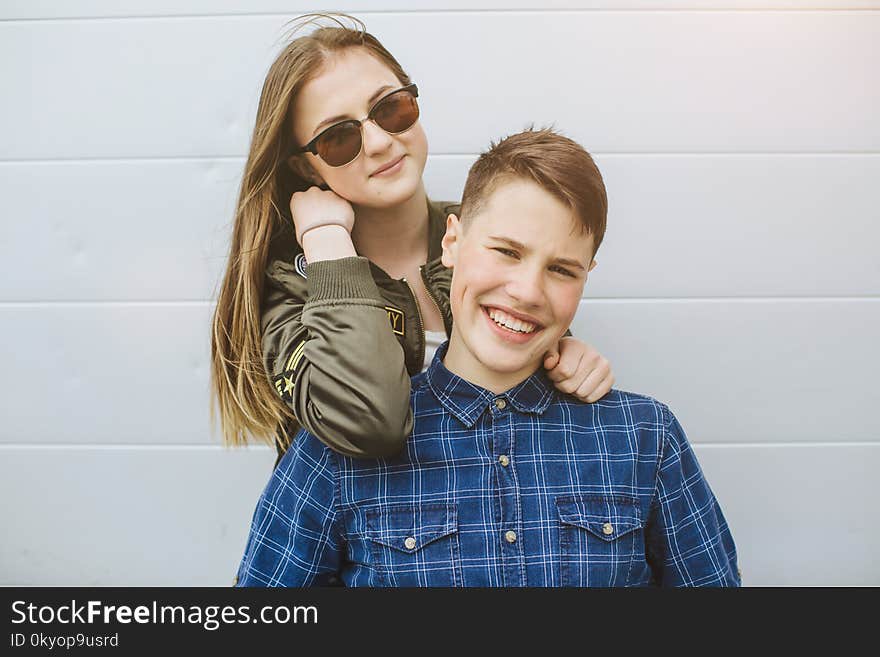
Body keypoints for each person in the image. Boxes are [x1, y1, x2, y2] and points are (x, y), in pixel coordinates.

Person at [235, 128, 740, 587]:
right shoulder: (334, 455)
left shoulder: (644, 437)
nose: (526, 291)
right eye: (506, 251)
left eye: (562, 270)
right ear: (452, 241)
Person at [210, 14, 614, 461]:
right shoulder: (290, 292)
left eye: (390, 109)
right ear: (306, 167)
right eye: (338, 138)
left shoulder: (490, 237)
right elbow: (369, 421)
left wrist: (567, 358)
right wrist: (326, 243)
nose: (380, 142)